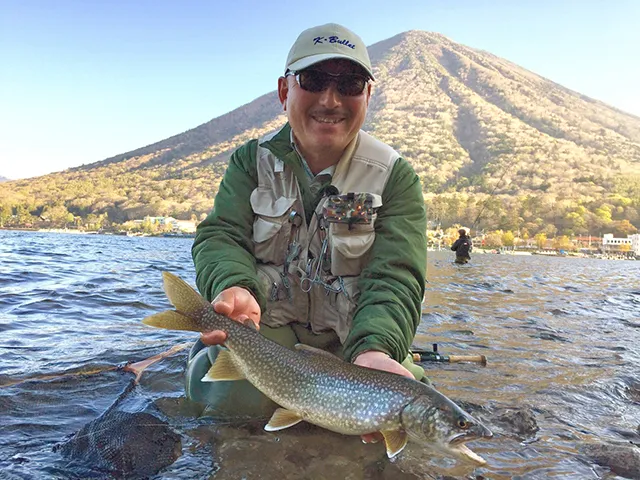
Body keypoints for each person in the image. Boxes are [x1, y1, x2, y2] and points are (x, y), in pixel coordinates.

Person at [187, 23, 428, 432]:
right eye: (313, 80)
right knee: (229, 402)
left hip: (355, 338)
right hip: (267, 330)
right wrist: (232, 286)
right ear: (285, 91)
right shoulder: (250, 162)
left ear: (368, 95)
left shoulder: (395, 177)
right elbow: (221, 235)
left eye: (350, 83)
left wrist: (377, 348)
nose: (330, 100)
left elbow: (395, 277)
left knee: (403, 417)